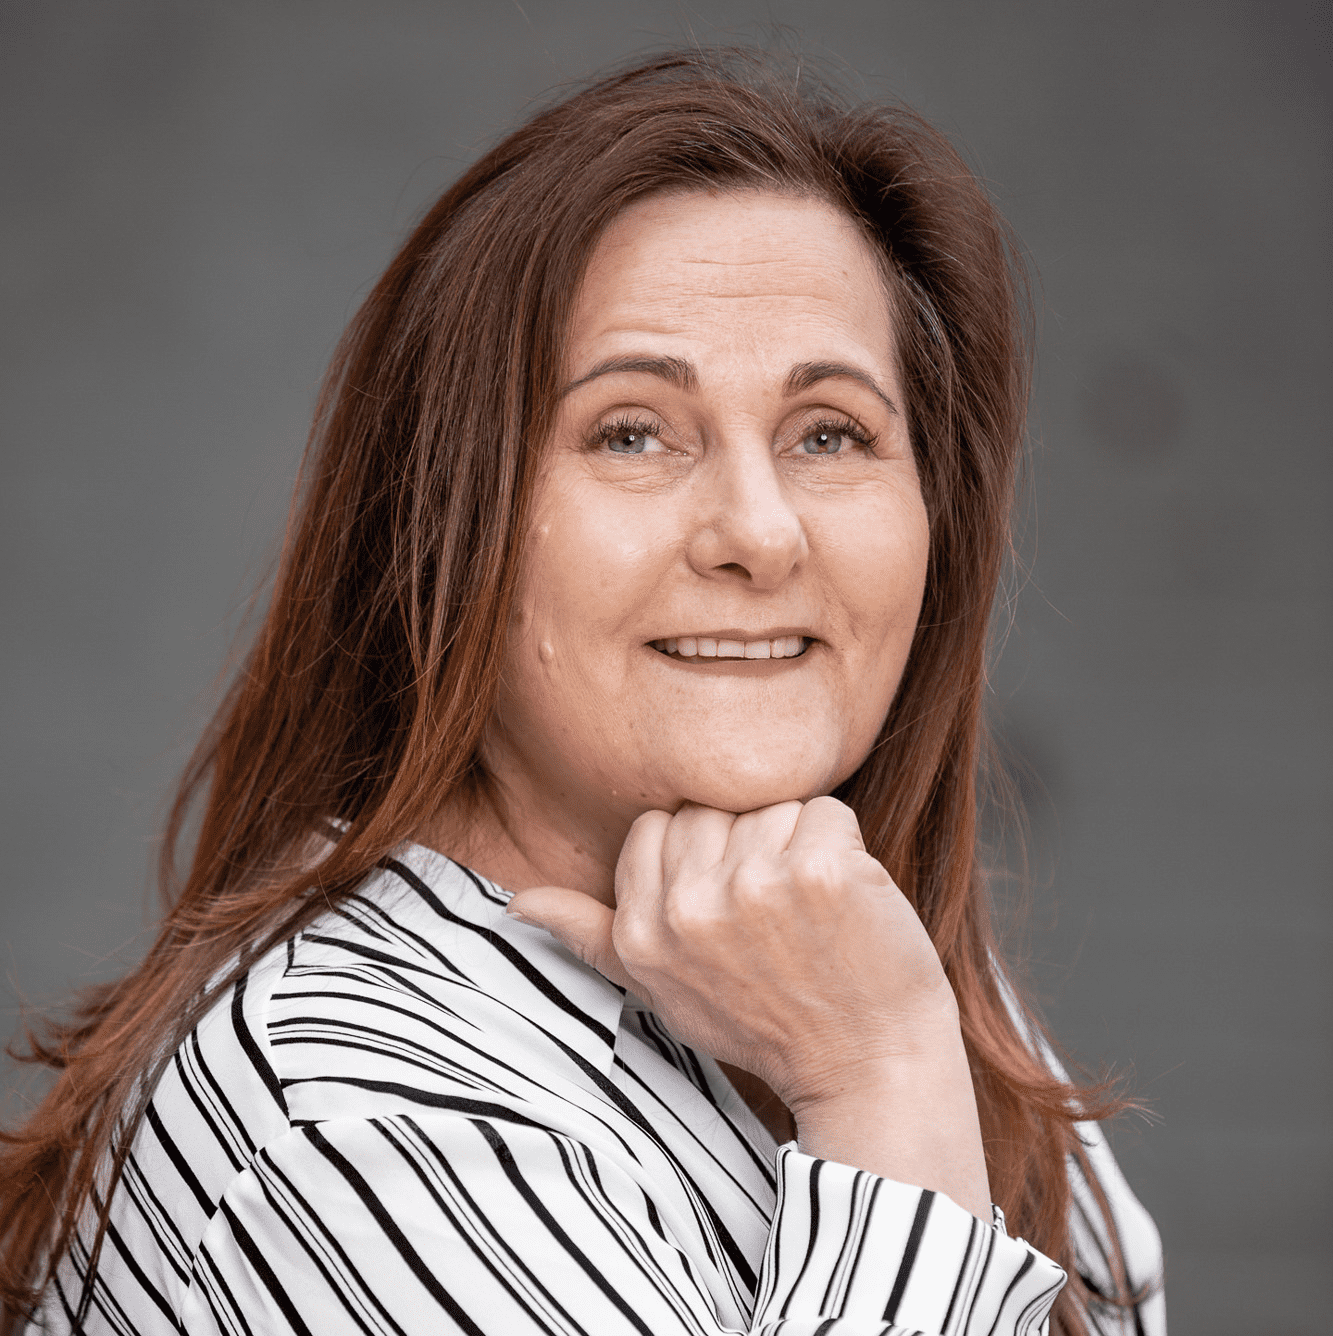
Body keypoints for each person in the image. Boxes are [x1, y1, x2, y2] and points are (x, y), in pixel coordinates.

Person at [0, 49, 1165, 1336]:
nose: (759, 534)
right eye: (632, 432)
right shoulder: (347, 1127)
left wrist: (891, 1044)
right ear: (444, 527)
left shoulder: (870, 963)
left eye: (829, 432)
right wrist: (882, 1088)